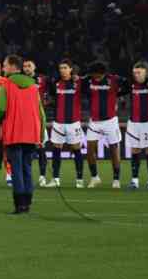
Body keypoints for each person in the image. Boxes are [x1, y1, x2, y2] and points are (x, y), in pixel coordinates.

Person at [0, 55, 46, 214]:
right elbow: (41, 113)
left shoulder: (6, 84)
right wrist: (41, 136)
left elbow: (1, 109)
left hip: (14, 132)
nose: (3, 68)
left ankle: (19, 205)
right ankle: (28, 203)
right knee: (27, 168)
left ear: (12, 67)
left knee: (16, 169)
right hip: (31, 134)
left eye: (4, 65)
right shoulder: (34, 86)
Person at [43, 59, 86, 188]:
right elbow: (50, 98)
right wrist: (48, 102)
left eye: (65, 68)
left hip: (73, 123)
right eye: (61, 68)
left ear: (71, 69)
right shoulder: (55, 82)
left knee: (76, 149)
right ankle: (56, 179)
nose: (62, 70)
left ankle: (79, 180)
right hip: (58, 122)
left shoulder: (79, 82)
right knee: (56, 149)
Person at [82, 61, 123, 188]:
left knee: (114, 150)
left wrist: (117, 96)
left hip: (110, 121)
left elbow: (128, 85)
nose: (96, 78)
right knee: (89, 150)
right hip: (94, 121)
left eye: (98, 76)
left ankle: (116, 179)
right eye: (94, 75)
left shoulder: (114, 80)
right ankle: (95, 177)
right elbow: (81, 85)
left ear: (104, 73)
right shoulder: (88, 80)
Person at [125, 61, 148, 189]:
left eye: (139, 72)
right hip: (133, 122)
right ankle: (135, 180)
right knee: (135, 150)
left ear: (146, 72)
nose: (136, 75)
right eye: (135, 72)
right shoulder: (131, 84)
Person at [24, 59, 50, 185]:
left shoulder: (43, 79)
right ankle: (26, 175)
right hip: (24, 119)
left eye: (29, 66)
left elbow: (53, 91)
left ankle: (42, 176)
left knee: (41, 149)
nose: (27, 68)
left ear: (34, 67)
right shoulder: (20, 80)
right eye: (25, 66)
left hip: (38, 119)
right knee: (25, 150)